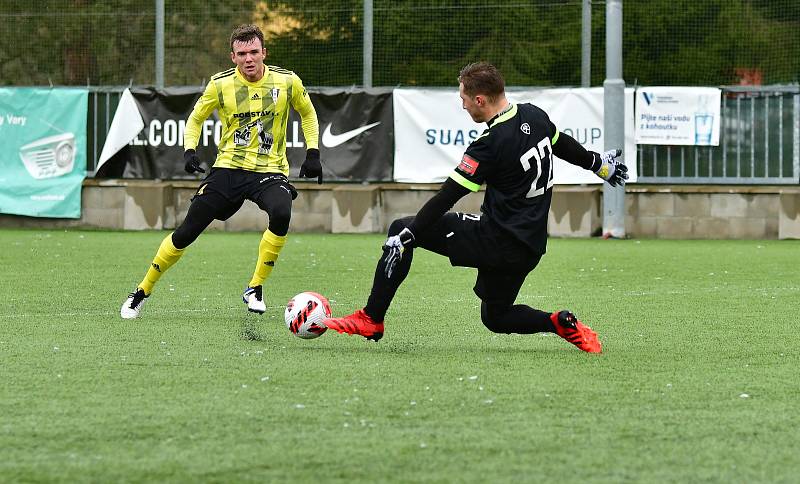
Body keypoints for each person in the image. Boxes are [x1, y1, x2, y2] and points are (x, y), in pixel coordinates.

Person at [324, 62, 627, 353]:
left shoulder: (490, 143)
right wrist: (598, 165)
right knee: (496, 317)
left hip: (496, 239)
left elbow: (447, 197)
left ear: (480, 99)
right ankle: (557, 323)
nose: (463, 105)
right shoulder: (534, 115)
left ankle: (371, 319)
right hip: (530, 246)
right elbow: (562, 143)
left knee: (400, 228)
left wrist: (409, 235)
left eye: (464, 99)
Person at [121, 24, 322, 319]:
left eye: (254, 52)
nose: (249, 59)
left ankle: (255, 287)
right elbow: (195, 118)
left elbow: (308, 113)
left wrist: (313, 152)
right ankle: (141, 291)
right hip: (228, 168)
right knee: (187, 232)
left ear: (264, 52)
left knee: (281, 211)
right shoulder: (220, 84)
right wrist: (189, 150)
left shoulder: (287, 81)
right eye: (242, 54)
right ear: (233, 57)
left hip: (269, 170)